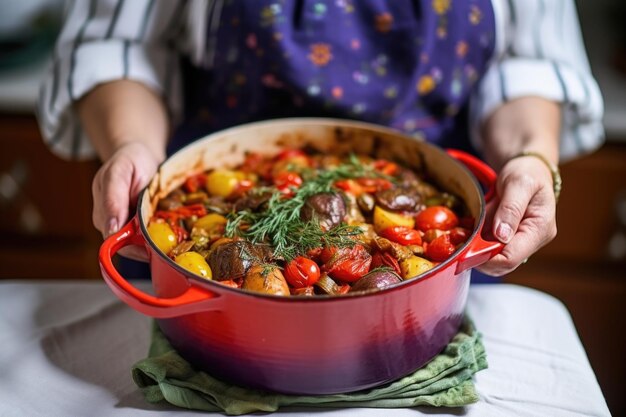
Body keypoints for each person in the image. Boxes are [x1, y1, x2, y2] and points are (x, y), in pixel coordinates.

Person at [38, 0, 603, 277]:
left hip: (446, 264)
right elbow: (115, 46)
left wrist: (530, 157)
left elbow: (525, 66)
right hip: (197, 268)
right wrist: (131, 146)